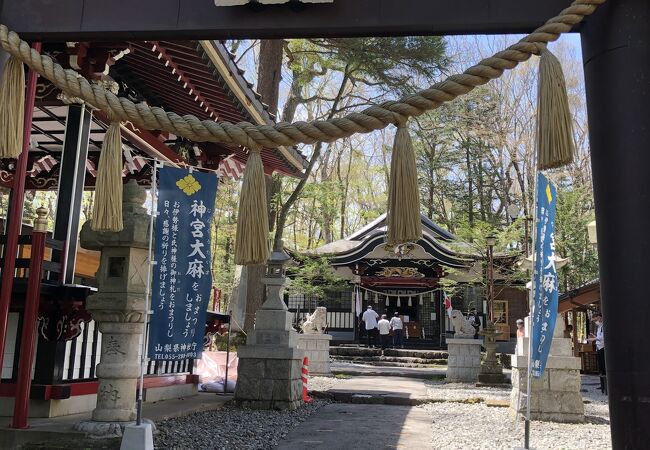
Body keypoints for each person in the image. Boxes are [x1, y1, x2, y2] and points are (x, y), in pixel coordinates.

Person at [587, 312, 606, 394]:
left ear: (599, 317)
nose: (595, 322)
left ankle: (606, 385)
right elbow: (599, 337)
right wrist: (595, 337)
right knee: (600, 368)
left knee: (604, 367)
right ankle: (602, 385)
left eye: (595, 320)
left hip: (603, 348)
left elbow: (603, 338)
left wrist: (594, 339)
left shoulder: (604, 326)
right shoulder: (599, 327)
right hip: (598, 348)